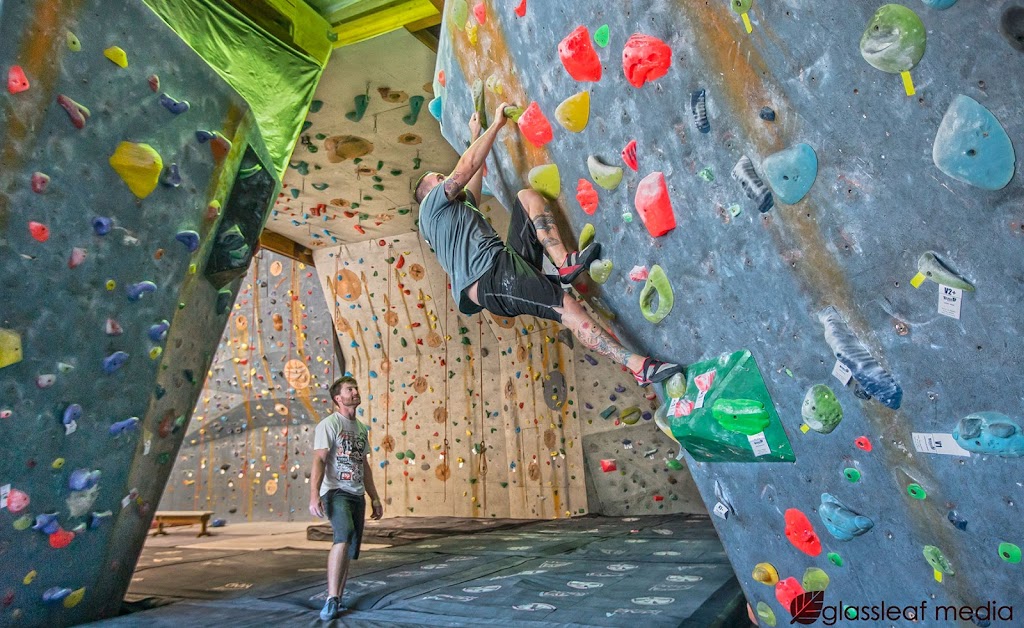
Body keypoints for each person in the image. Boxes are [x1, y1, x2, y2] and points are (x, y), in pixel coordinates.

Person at [413, 103, 684, 386]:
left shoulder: (453, 214)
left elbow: (474, 174)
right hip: (492, 280)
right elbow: (465, 167)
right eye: (439, 180)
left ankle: (565, 263)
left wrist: (475, 132)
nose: (445, 179)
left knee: (527, 199)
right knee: (566, 308)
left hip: (502, 263)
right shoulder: (429, 209)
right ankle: (638, 367)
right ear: (429, 195)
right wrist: (496, 125)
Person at [309, 376, 382, 621]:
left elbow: (365, 465)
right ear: (338, 399)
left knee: (350, 543)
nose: (355, 392)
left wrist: (375, 497)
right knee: (343, 535)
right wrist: (314, 496)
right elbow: (319, 460)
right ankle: (330, 598)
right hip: (335, 491)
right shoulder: (329, 425)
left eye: (356, 388)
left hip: (356, 493)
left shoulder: (361, 428)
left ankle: (337, 597)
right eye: (349, 390)